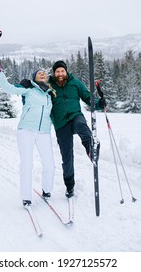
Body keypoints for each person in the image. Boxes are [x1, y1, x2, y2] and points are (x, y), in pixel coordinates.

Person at [0, 60, 56, 207]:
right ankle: (26, 197)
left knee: (50, 164)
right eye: (39, 73)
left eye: (44, 74)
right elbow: (8, 88)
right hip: (26, 130)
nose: (42, 74)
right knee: (27, 164)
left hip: (44, 132)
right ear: (34, 77)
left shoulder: (49, 94)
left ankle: (47, 190)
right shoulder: (28, 89)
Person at [48, 60, 105, 198]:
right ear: (54, 73)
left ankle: (91, 149)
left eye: (62, 71)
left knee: (81, 125)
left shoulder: (75, 83)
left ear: (66, 72)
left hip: (75, 116)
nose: (60, 74)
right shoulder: (49, 86)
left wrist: (98, 104)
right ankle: (69, 186)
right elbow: (37, 94)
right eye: (57, 71)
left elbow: (87, 97)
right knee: (67, 157)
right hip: (61, 124)